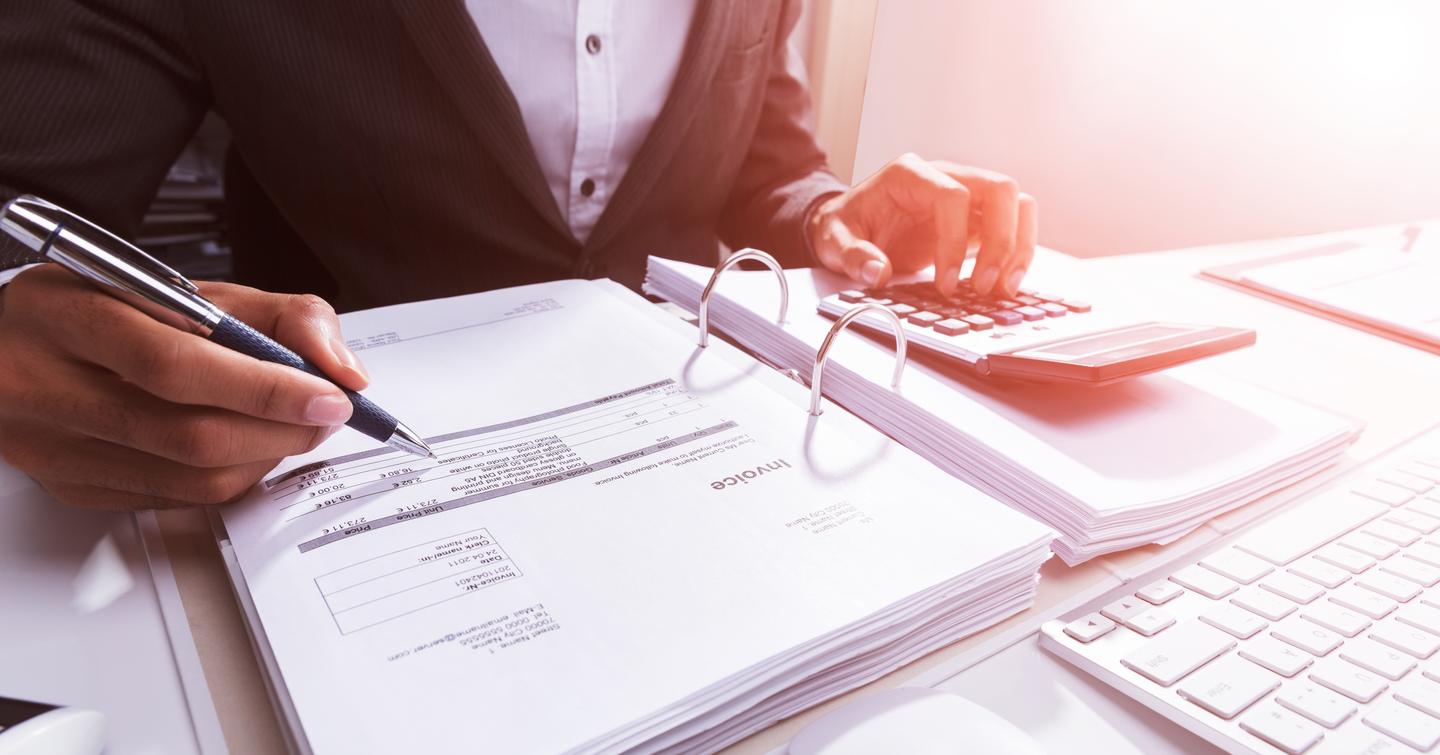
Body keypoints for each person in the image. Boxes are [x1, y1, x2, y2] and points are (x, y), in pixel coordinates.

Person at [0, 0, 1036, 511]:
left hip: (698, 453)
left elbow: (765, 155)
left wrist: (823, 216)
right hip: (348, 472)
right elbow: (24, 188)